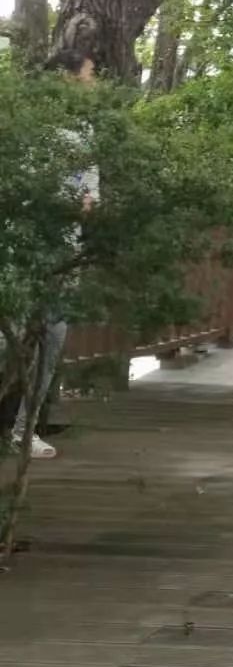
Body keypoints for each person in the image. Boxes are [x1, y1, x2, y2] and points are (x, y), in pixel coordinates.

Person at [9, 48, 98, 461]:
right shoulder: (29, 123)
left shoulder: (85, 128)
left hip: (66, 249)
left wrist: (83, 203)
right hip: (23, 248)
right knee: (9, 336)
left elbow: (90, 192)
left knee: (53, 339)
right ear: (65, 77)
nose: (93, 82)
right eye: (89, 74)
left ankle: (23, 431)